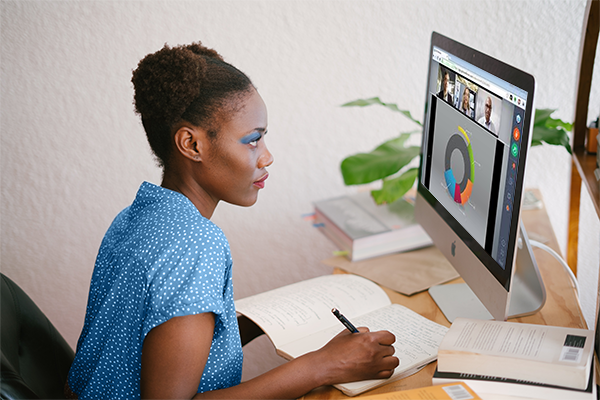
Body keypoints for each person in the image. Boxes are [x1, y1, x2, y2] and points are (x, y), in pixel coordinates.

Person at [65, 42, 399, 400]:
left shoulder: (136, 216)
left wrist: (249, 325)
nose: (267, 157)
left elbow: (148, 341)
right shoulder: (196, 244)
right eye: (252, 140)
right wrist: (323, 365)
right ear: (192, 145)